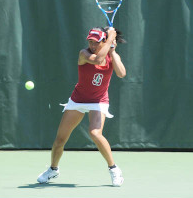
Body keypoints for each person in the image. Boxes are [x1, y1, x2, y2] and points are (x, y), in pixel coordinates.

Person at [37, 27, 126, 187]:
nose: (91, 45)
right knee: (60, 140)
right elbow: (98, 59)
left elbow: (121, 73)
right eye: (90, 41)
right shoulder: (84, 54)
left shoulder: (111, 55)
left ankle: (114, 169)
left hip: (99, 101)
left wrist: (112, 51)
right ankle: (53, 169)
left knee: (95, 133)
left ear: (104, 42)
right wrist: (110, 38)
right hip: (78, 100)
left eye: (95, 42)